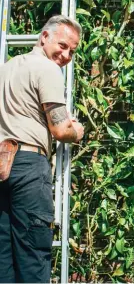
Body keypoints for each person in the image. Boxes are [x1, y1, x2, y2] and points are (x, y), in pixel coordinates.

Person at [0, 15, 84, 283]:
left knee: (3, 259)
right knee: (33, 256)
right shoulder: (47, 69)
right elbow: (60, 130)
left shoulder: (7, 68)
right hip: (28, 167)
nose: (66, 54)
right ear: (44, 37)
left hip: (2, 164)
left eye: (72, 50)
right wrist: (77, 130)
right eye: (63, 45)